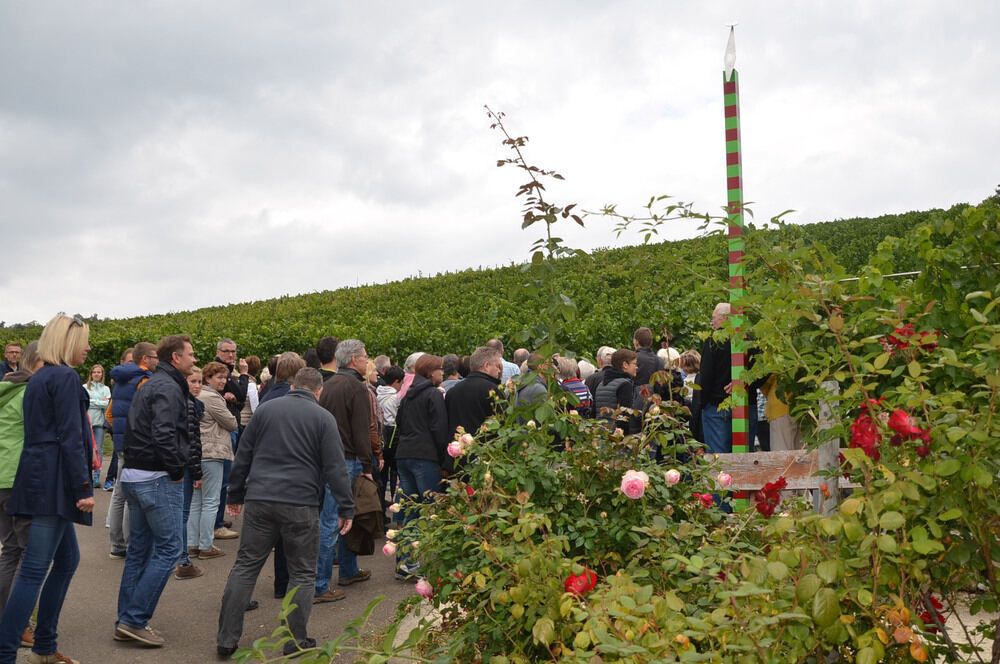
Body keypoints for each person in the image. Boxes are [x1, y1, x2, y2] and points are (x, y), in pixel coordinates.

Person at [216, 368, 355, 658]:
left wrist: (236, 493)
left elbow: (244, 453)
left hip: (260, 499)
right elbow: (335, 467)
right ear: (318, 391)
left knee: (246, 566)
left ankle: (227, 638)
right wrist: (346, 506)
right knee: (303, 572)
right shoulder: (323, 418)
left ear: (293, 386)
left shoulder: (266, 410)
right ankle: (295, 639)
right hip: (301, 502)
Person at [0, 315, 95, 664]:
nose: (88, 347)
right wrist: (83, 487)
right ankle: (6, 653)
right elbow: (70, 436)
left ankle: (43, 645)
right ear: (67, 342)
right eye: (84, 340)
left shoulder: (39, 378)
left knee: (67, 559)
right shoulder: (66, 377)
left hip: (39, 475)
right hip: (53, 482)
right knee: (34, 569)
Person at [114, 335, 198, 648]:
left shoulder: (152, 383)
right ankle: (134, 619)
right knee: (170, 549)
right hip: (157, 477)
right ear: (175, 357)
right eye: (190, 354)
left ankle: (126, 619)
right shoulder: (167, 386)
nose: (194, 359)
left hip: (136, 475)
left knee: (139, 551)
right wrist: (177, 470)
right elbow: (164, 433)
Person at [316, 340, 374, 591]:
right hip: (348, 459)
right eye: (364, 356)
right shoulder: (356, 388)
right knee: (333, 520)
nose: (367, 360)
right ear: (353, 360)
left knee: (344, 517)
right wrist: (368, 465)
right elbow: (361, 431)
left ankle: (348, 570)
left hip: (328, 458)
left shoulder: (327, 386)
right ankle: (320, 584)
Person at [392, 353, 449, 579]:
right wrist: (445, 461)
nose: (442, 374)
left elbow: (398, 423)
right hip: (425, 456)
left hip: (404, 454)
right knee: (428, 509)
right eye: (440, 370)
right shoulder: (433, 395)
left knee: (409, 509)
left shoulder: (407, 395)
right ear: (430, 372)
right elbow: (440, 429)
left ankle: (405, 561)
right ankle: (430, 561)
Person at [0, 341, 40, 649]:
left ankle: (6, 617)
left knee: (10, 550)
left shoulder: (5, 390)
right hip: (19, 477)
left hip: (1, 477)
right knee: (28, 554)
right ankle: (18, 625)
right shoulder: (30, 393)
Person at [105, 343, 156, 557]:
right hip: (136, 443)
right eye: (154, 357)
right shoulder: (144, 380)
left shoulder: (120, 380)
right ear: (144, 359)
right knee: (131, 496)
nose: (157, 360)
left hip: (121, 444)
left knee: (119, 494)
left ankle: (117, 545)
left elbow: (110, 414)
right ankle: (131, 544)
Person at [189, 362, 238, 560]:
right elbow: (232, 423)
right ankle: (206, 545)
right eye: (218, 377)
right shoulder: (212, 398)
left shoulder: (196, 396)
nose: (223, 381)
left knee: (196, 501)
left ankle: (192, 543)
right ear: (208, 379)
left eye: (225, 377)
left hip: (196, 454)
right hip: (212, 452)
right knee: (210, 501)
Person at [445, 346, 502, 440]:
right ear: (487, 366)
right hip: (487, 450)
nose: (499, 370)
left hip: (460, 449)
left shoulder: (452, 392)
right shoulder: (492, 391)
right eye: (497, 366)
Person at [699, 303, 734, 454]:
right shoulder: (748, 339)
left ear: (725, 318)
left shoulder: (713, 341)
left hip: (716, 406)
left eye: (714, 318)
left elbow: (706, 376)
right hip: (745, 406)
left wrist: (702, 402)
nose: (712, 323)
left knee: (718, 460)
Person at [593, 349, 638, 432]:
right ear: (625, 365)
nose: (636, 367)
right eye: (634, 363)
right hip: (616, 434)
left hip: (600, 431)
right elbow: (625, 415)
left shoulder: (601, 384)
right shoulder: (625, 385)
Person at [86, 364, 111, 487]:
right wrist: (99, 402)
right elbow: (85, 402)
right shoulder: (85, 387)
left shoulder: (106, 389)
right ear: (91, 374)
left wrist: (93, 402)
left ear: (102, 374)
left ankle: (96, 476)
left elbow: (107, 404)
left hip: (100, 423)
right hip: (87, 421)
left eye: (99, 372)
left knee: (98, 449)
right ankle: (86, 475)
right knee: (86, 448)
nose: (96, 374)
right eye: (94, 372)